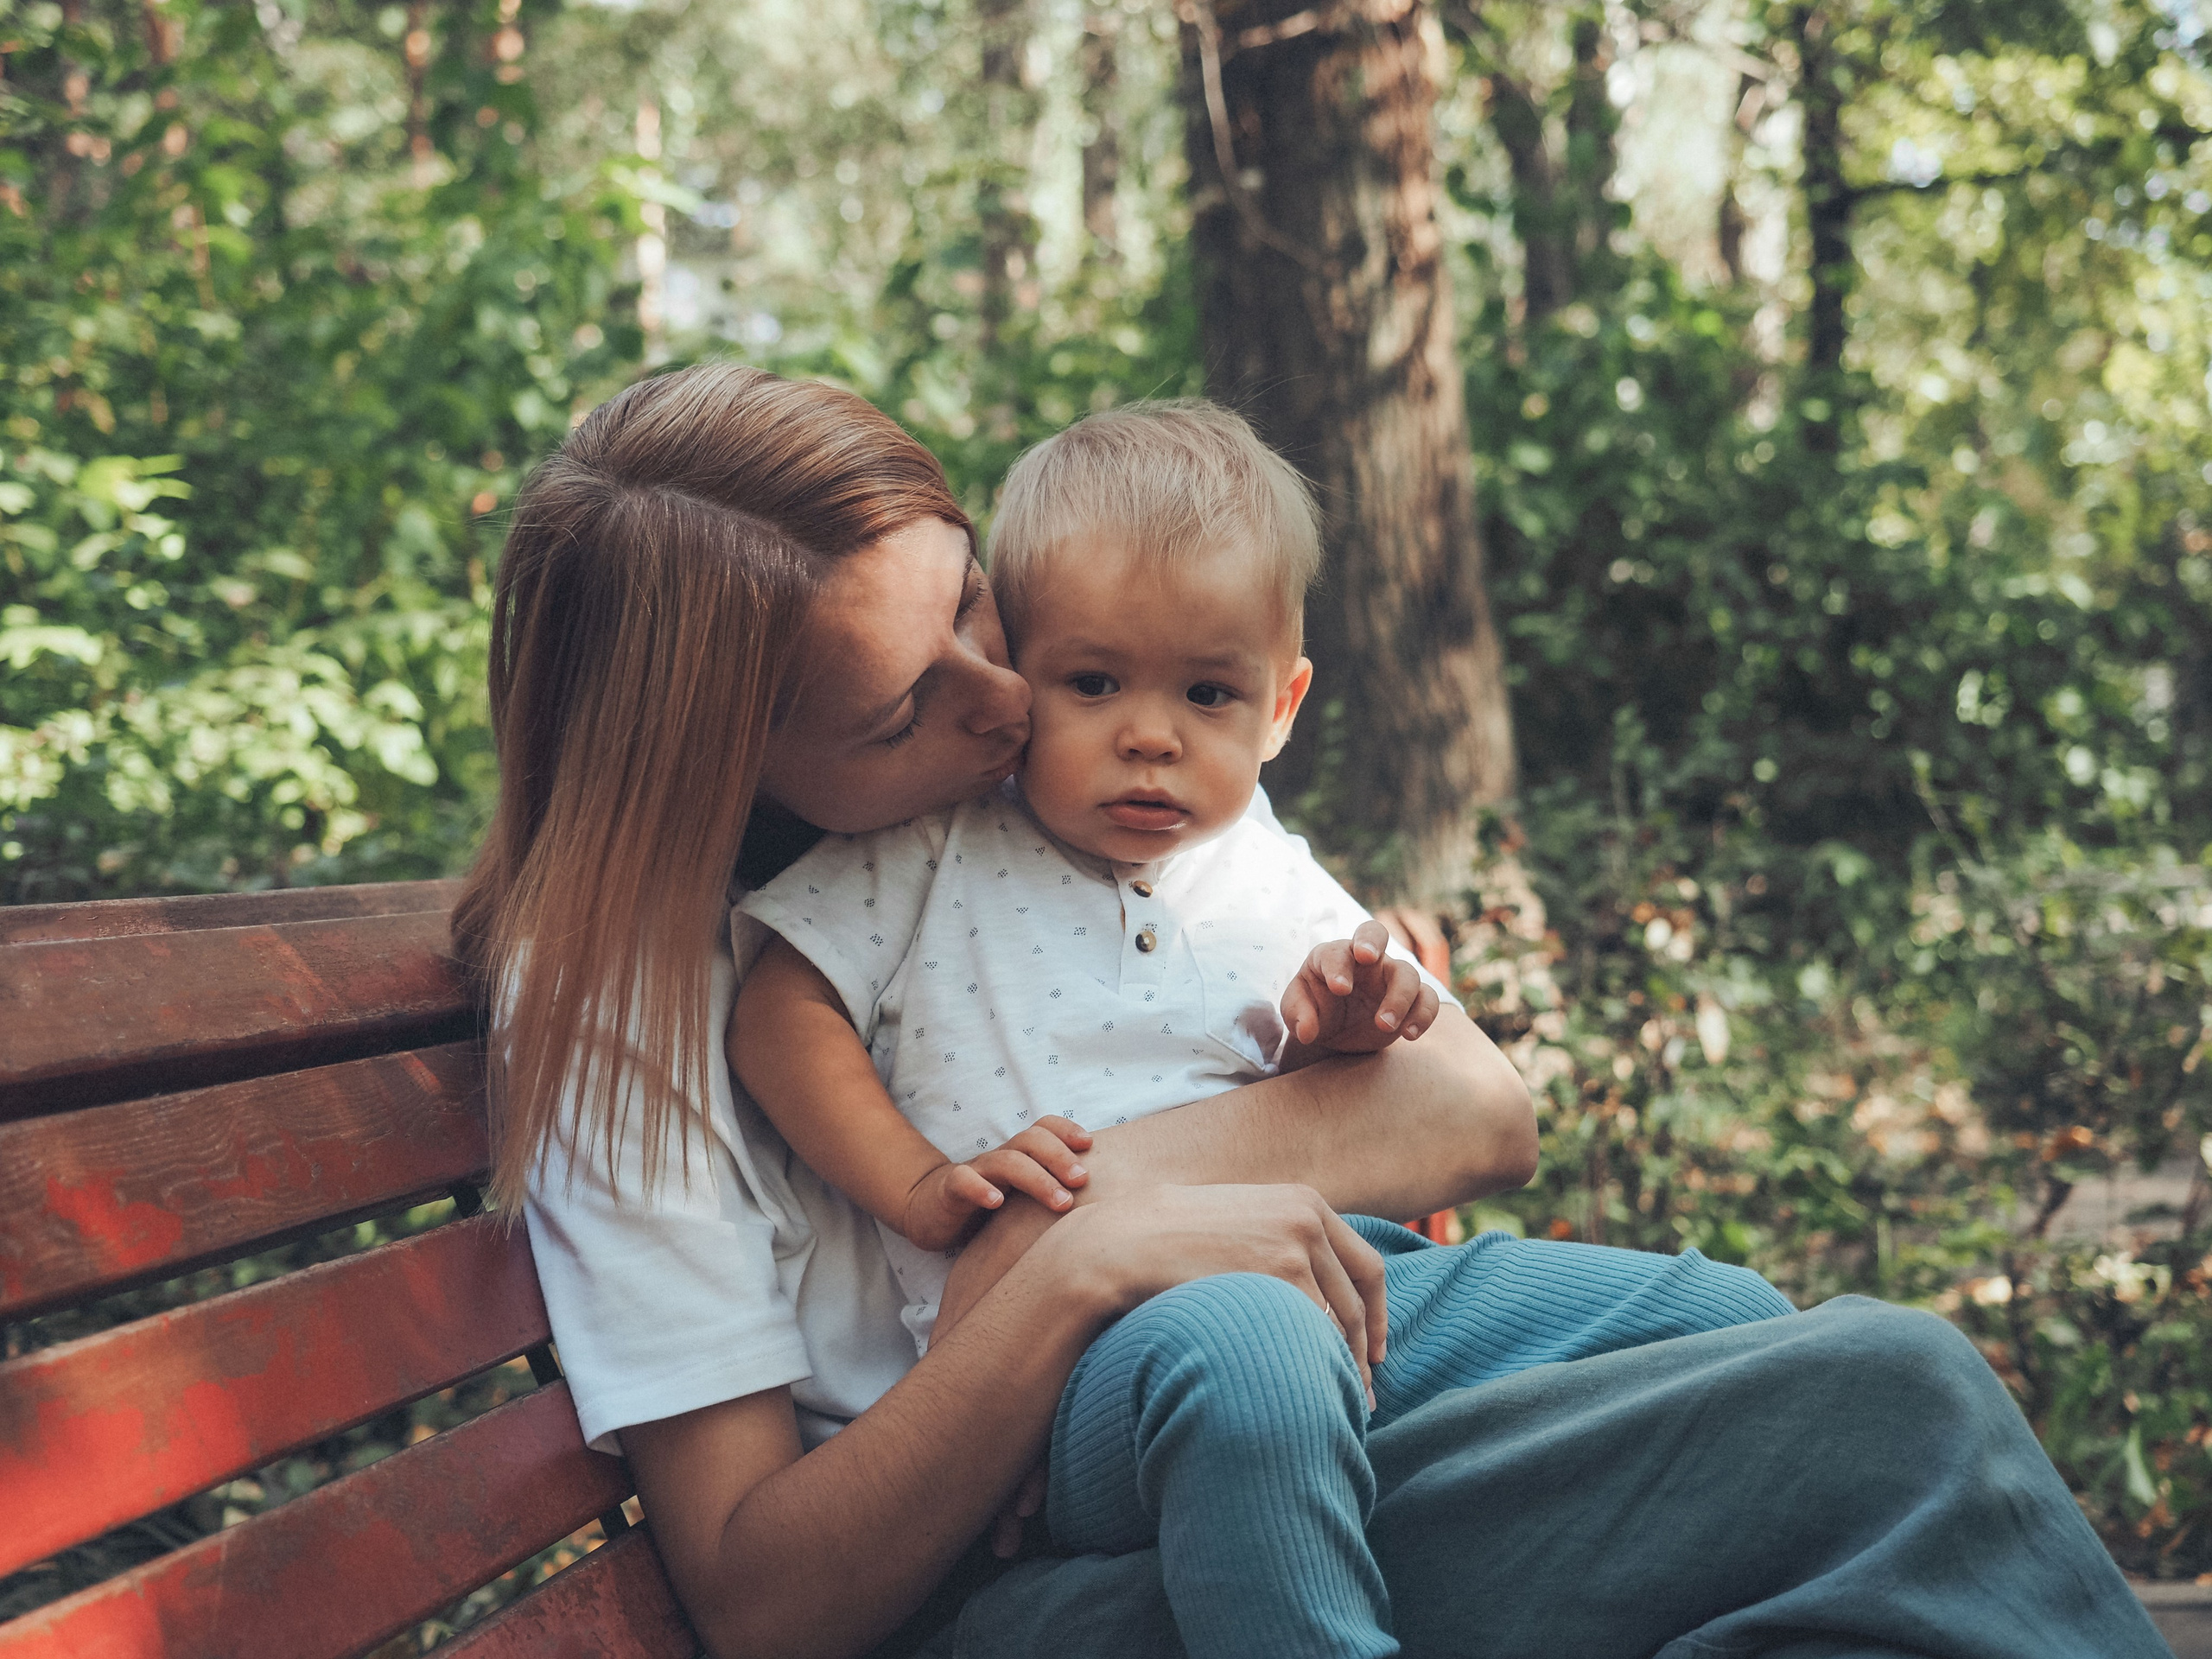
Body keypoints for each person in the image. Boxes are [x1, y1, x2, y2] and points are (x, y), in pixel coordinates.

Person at [458, 360, 2173, 1659]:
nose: (1008, 708)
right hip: (1055, 1579)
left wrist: (1124, 1197)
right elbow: (768, 1605)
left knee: (1785, 1349)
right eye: (913, 700)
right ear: (716, 765)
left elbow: (1466, 1108)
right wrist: (1064, 1273)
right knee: (1886, 1407)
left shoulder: (1013, 794)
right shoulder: (626, 1005)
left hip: (1247, 1450)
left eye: (974, 603)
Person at [729, 401, 1446, 1357]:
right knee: (1255, 1366)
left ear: (1279, 709)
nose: (1151, 736)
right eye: (1095, 684)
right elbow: (778, 1014)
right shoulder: (936, 845)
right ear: (1020, 670)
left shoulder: (1269, 872)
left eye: (1207, 694)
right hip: (1092, 1334)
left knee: (1695, 1318)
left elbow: (1311, 1105)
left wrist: (1345, 1038)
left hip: (1344, 1271)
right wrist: (917, 1187)